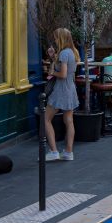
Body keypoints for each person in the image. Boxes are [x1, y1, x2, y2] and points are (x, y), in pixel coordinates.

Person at [45, 28, 80, 161]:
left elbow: (62, 74)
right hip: (70, 89)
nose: (54, 39)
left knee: (46, 119)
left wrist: (51, 73)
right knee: (69, 121)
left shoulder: (64, 53)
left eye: (55, 37)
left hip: (61, 90)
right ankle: (68, 152)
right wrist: (53, 56)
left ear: (60, 38)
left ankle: (54, 151)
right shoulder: (72, 52)